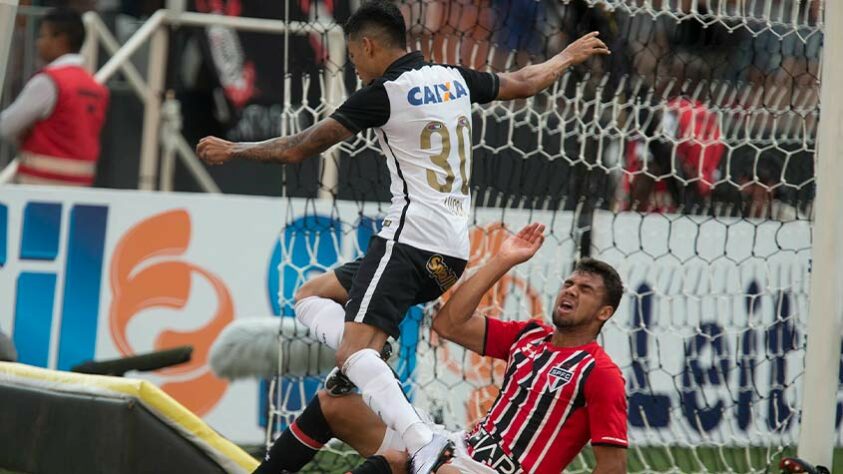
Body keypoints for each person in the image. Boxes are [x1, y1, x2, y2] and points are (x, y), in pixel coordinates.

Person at [197, 1, 609, 471]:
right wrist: (565, 56)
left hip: (407, 242)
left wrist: (234, 148)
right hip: (449, 254)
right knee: (313, 294)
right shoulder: (452, 78)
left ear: (369, 46)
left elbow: (298, 148)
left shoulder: (386, 93)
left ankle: (417, 436)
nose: (355, 67)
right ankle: (369, 361)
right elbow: (524, 81)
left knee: (352, 351)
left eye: (354, 57)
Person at [253, 223, 628, 474]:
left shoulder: (601, 374)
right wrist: (503, 259)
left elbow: (612, 467)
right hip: (458, 449)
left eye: (586, 290)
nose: (571, 291)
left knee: (411, 464)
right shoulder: (529, 337)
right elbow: (450, 324)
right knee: (335, 406)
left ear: (604, 313)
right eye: (569, 283)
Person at [0, 7, 109, 186]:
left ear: (61, 40)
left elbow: (7, 125)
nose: (38, 43)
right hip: (80, 188)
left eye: (43, 36)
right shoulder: (96, 88)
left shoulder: (49, 82)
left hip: (38, 187)